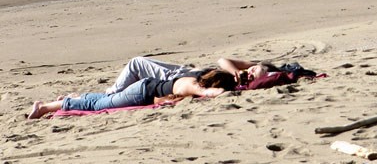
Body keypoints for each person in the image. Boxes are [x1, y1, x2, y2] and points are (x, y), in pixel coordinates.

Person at [28, 69, 236, 120]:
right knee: (100, 106)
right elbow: (208, 92)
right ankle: (45, 107)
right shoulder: (193, 84)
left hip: (143, 90)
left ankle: (74, 98)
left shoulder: (193, 79)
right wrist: (224, 92)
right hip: (141, 92)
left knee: (103, 100)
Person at [106, 56, 279, 94]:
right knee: (139, 66)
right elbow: (222, 60)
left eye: (253, 73)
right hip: (185, 71)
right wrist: (246, 69)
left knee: (137, 63)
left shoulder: (235, 83)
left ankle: (111, 94)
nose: (249, 72)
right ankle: (114, 92)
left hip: (179, 77)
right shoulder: (237, 73)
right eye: (253, 69)